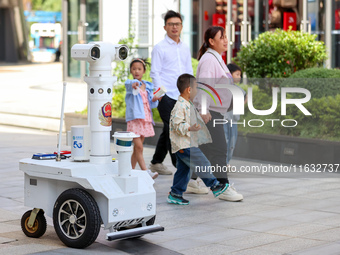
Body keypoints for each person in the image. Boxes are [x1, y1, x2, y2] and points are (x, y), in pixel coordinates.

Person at [193, 26, 243, 202]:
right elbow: (203, 86)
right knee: (220, 149)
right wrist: (204, 109)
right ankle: (223, 187)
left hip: (216, 111)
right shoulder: (209, 60)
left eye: (226, 37)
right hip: (211, 112)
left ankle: (190, 180)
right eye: (221, 37)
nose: (225, 40)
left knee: (205, 149)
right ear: (211, 41)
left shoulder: (217, 58)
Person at [167, 73, 229, 205]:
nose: (197, 91)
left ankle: (175, 193)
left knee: (184, 170)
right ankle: (214, 186)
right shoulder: (180, 106)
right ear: (189, 89)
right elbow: (177, 125)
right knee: (202, 162)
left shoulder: (187, 104)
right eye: (196, 88)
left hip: (186, 144)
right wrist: (190, 128)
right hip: (184, 145)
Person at [149, 10, 193, 176]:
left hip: (182, 96)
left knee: (168, 129)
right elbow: (155, 72)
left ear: (181, 26)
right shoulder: (160, 48)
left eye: (177, 24)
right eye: (171, 24)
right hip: (166, 95)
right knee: (174, 130)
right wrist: (160, 95)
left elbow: (188, 70)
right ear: (165, 27)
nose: (174, 27)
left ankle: (156, 162)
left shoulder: (185, 47)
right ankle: (181, 168)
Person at [125, 58, 159, 179]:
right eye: (134, 69)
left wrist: (155, 99)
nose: (136, 71)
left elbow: (151, 103)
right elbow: (129, 86)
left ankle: (129, 170)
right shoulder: (130, 83)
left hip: (145, 119)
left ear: (144, 71)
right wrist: (133, 85)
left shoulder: (147, 85)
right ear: (130, 70)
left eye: (139, 69)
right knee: (139, 147)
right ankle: (146, 171)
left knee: (137, 149)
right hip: (135, 119)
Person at [224, 63, 247, 167]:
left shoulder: (238, 89)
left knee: (232, 144)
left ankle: (227, 163)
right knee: (225, 142)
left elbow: (246, 97)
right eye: (237, 74)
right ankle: (222, 164)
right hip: (224, 120)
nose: (239, 77)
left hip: (234, 121)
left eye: (240, 75)